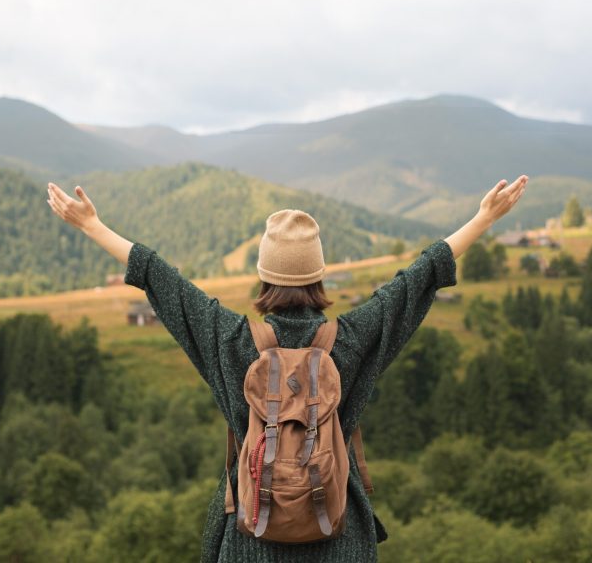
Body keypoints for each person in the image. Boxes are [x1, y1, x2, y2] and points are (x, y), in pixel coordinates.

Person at [46, 174, 529, 562]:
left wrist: (91, 225)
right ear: (318, 275)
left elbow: (160, 279)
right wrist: (483, 218)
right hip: (339, 533)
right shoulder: (354, 337)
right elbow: (418, 278)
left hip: (251, 534)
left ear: (263, 275)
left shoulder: (231, 340)